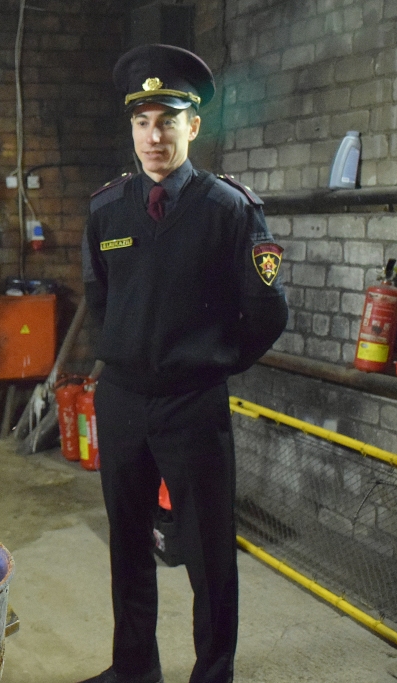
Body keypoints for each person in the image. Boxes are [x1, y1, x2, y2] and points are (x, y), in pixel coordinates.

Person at [81, 45, 289, 683]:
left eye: (167, 120)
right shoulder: (107, 209)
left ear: (193, 126)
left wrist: (211, 363)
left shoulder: (229, 211)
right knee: (128, 548)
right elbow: (98, 300)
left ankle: (212, 674)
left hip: (191, 404)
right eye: (142, 121)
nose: (154, 135)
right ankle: (134, 668)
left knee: (206, 554)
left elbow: (267, 313)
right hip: (121, 402)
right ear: (131, 129)